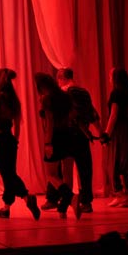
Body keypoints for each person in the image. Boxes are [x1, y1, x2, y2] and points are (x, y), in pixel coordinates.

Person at [42, 68, 104, 213]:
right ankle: (86, 202)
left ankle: (62, 200)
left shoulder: (62, 93)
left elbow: (56, 117)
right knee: (85, 169)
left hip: (67, 134)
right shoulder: (84, 92)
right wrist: (101, 133)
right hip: (83, 136)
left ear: (61, 78)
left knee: (64, 170)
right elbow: (92, 113)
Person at [0, 68, 40, 220]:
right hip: (10, 139)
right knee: (9, 174)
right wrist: (16, 139)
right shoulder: (14, 100)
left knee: (7, 174)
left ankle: (26, 197)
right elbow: (17, 123)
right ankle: (7, 207)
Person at [34, 72, 80, 219]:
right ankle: (63, 209)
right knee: (67, 175)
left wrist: (48, 142)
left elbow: (49, 122)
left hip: (55, 136)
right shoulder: (66, 96)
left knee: (51, 174)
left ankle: (71, 197)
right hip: (69, 135)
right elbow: (72, 115)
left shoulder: (47, 99)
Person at [102, 68, 128, 208]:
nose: (109, 79)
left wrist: (106, 134)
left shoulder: (116, 93)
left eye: (110, 76)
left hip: (119, 131)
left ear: (115, 78)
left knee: (113, 162)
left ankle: (119, 194)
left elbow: (114, 114)